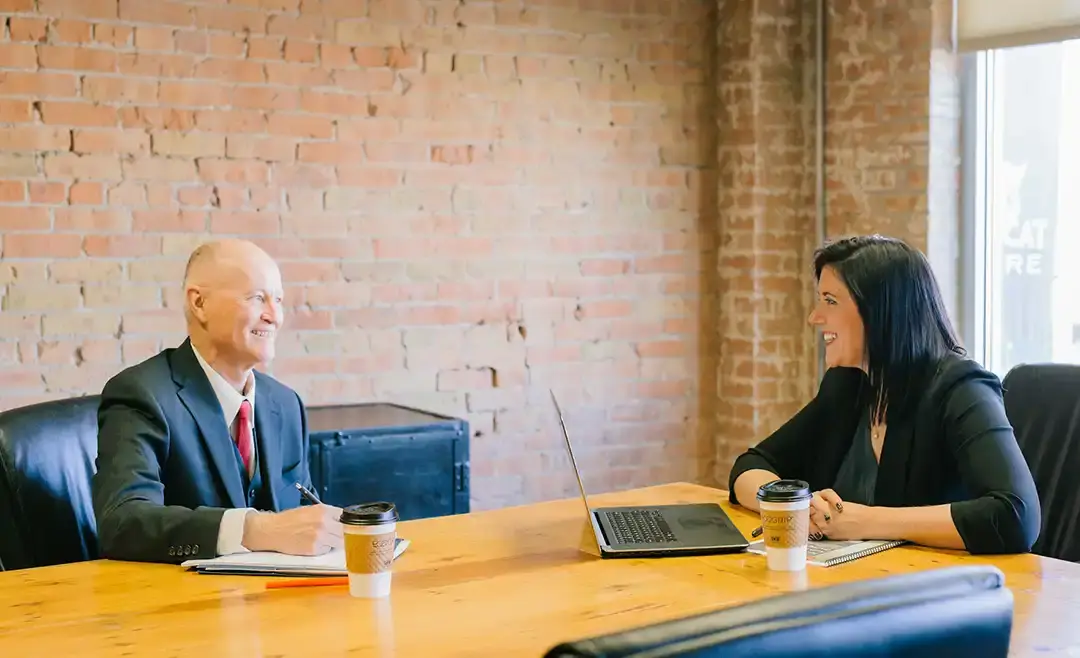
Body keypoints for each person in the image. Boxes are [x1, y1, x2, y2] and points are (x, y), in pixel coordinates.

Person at [728, 235, 1041, 555]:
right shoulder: (848, 385)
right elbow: (752, 465)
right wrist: (795, 508)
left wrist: (861, 521)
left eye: (830, 301)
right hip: (861, 584)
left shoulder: (962, 389)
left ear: (881, 312)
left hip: (938, 590)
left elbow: (1015, 516)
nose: (815, 317)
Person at [92, 239, 343, 564]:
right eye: (257, 298)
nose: (275, 316)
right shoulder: (141, 394)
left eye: (278, 300)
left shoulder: (285, 403)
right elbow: (122, 524)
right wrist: (255, 529)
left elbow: (304, 515)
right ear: (199, 304)